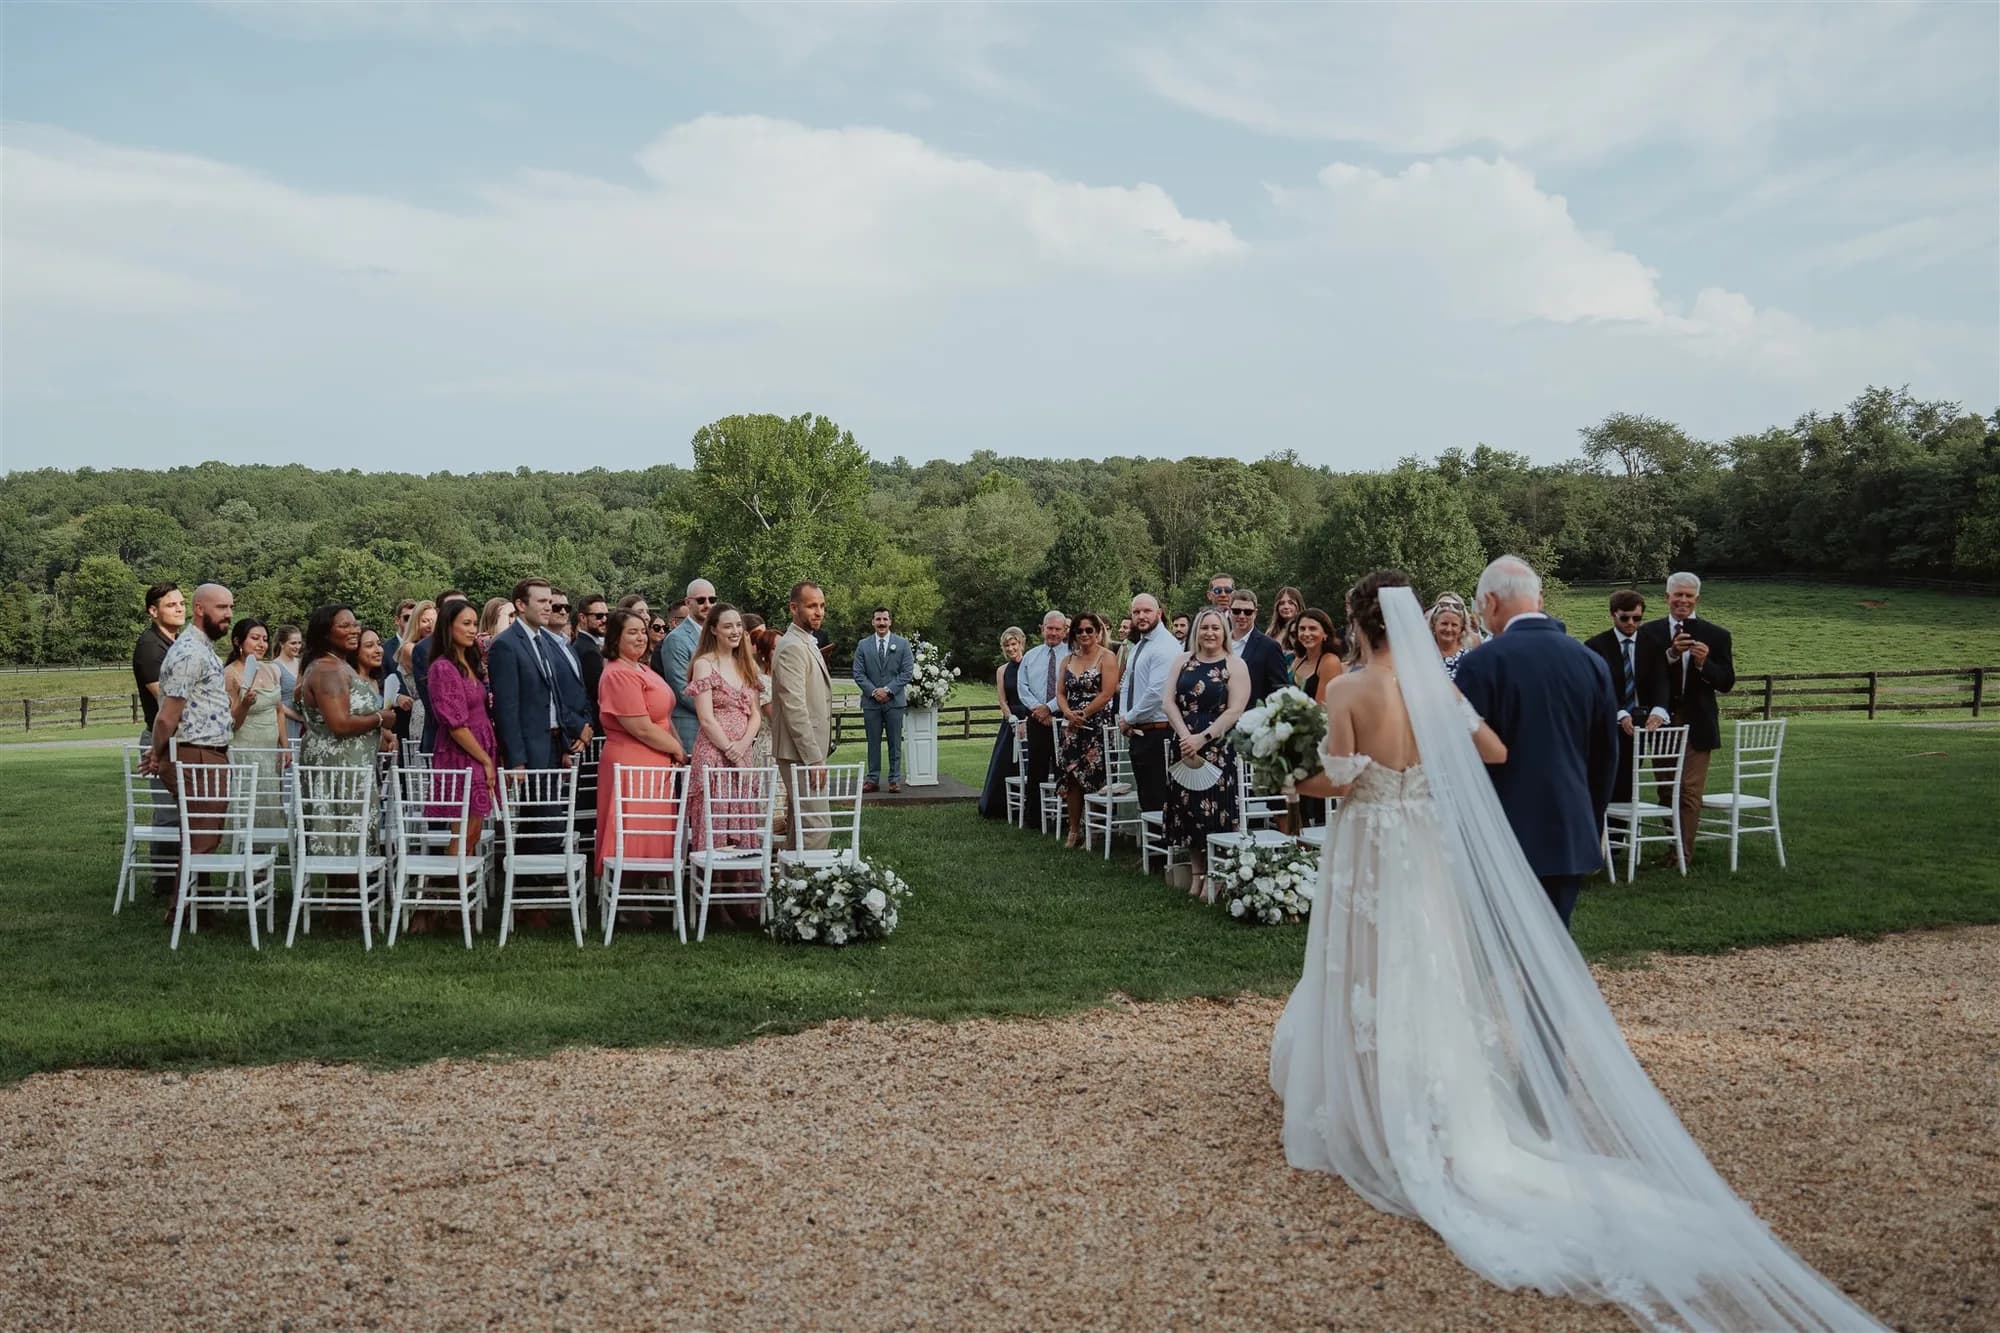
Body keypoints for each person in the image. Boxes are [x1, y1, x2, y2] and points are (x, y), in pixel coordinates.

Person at [1268, 574, 1877, 1332]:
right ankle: (1437, 1094)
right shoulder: (1438, 691)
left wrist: (1290, 767)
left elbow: (1336, 779)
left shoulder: (1350, 690)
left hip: (1370, 844)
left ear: (1357, 623)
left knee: (1367, 962)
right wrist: (1425, 772)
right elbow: (1492, 750)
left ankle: (1368, 1100)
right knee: (1431, 964)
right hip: (1422, 843)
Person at [1453, 556, 1620, 929]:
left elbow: (1464, 759)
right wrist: (1589, 824)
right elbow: (1606, 757)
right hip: (1570, 831)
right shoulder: (1591, 662)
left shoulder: (1482, 663)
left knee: (1503, 955)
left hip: (1500, 836)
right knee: (1554, 953)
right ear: (1538, 600)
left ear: (1491, 602)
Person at [143, 583, 235, 916]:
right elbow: (167, 716)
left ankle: (201, 906)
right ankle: (182, 910)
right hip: (196, 752)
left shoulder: (202, 648)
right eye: (221, 608)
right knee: (202, 837)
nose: (228, 615)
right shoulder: (189, 653)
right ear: (199, 608)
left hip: (206, 751)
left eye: (230, 607)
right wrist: (157, 752)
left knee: (203, 834)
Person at [1637, 572, 1735, 866]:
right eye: (1677, 595)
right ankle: (1672, 845)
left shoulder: (1717, 635)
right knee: (1666, 788)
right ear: (1666, 597)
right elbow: (1642, 679)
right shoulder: (1649, 633)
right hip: (1662, 722)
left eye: (1688, 596)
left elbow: (1727, 682)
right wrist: (1669, 655)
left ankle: (1683, 854)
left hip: (1698, 723)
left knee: (1689, 790)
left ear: (1697, 599)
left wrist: (1705, 662)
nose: (1683, 600)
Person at [685, 604, 766, 921]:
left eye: (738, 626)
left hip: (742, 754)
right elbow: (705, 716)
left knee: (738, 822)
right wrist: (729, 749)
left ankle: (738, 897)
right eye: (727, 626)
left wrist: (743, 746)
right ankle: (715, 899)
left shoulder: (746, 665)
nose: (734, 631)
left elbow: (757, 714)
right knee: (716, 823)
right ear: (714, 630)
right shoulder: (705, 665)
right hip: (714, 753)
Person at [1162, 607, 1249, 898]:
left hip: (1217, 745)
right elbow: (1168, 701)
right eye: (1204, 628)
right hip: (1184, 742)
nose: (1209, 633)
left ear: (1224, 631)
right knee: (1189, 810)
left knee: (1216, 810)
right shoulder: (1182, 660)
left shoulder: (1235, 664)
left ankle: (1218, 874)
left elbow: (1236, 709)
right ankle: (1197, 874)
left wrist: (1204, 737)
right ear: (1195, 631)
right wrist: (1186, 736)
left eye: (1215, 628)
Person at [593, 608, 684, 881]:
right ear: (615, 638)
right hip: (631, 762)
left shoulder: (642, 668)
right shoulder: (618, 673)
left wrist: (674, 744)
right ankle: (627, 892)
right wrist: (677, 749)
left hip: (655, 761)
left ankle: (645, 886)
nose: (641, 637)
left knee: (651, 827)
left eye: (643, 631)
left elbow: (663, 717)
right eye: (632, 632)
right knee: (631, 826)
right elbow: (640, 726)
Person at [296, 605, 394, 858]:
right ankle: (342, 895)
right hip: (337, 771)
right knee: (344, 845)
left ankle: (345, 894)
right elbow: (339, 724)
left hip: (352, 766)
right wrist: (379, 719)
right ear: (325, 633)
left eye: (355, 624)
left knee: (351, 844)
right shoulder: (327, 670)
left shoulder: (340, 665)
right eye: (345, 626)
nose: (354, 630)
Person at [488, 577, 593, 774]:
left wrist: (564, 744)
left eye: (549, 602)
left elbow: (555, 698)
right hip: (529, 751)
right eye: (542, 602)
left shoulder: (543, 642)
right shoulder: (505, 645)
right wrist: (515, 759)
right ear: (520, 604)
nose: (548, 607)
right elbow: (506, 709)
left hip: (554, 747)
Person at [425, 599, 499, 857]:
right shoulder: (443, 668)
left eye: (475, 623)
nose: (472, 629)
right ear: (448, 627)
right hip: (461, 754)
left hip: (479, 749)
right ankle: (454, 888)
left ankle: (462, 886)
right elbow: (455, 724)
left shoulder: (468, 662)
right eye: (465, 623)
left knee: (474, 831)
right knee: (464, 830)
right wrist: (485, 761)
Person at [770, 581, 833, 851]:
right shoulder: (792, 647)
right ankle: (812, 888)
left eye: (821, 606)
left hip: (805, 753)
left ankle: (790, 889)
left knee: (800, 826)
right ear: (793, 608)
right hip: (800, 754)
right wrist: (813, 758)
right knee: (817, 827)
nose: (818, 612)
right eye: (811, 606)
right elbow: (794, 707)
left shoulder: (806, 642)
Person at [132, 583, 184, 898]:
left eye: (181, 603)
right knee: (168, 811)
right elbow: (165, 700)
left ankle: (181, 876)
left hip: (180, 736)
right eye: (171, 605)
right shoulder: (150, 647)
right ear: (153, 611)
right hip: (160, 736)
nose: (179, 608)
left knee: (183, 811)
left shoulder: (175, 643)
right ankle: (165, 884)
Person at [1056, 611, 1121, 849]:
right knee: (1072, 777)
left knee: (1095, 778)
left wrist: (1084, 713)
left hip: (1096, 724)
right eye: (1079, 631)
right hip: (1072, 726)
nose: (1084, 635)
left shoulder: (1108, 657)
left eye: (1089, 630)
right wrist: (1068, 713)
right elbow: (1060, 693)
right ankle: (1074, 829)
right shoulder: (1068, 660)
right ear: (1073, 634)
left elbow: (1107, 693)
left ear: (1098, 632)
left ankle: (1096, 832)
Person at [1117, 594, 1179, 820]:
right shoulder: (1139, 646)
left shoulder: (1166, 646)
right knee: (1146, 795)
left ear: (1159, 613)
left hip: (1158, 730)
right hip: (1139, 729)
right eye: (1136, 612)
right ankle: (1150, 853)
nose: (1141, 616)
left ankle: (1162, 853)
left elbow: (1157, 692)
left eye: (1146, 611)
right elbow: (1126, 684)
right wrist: (1124, 718)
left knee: (1157, 795)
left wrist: (1129, 718)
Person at [1583, 590, 1649, 804]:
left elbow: (1659, 681)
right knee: (1608, 783)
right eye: (1625, 618)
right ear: (1613, 615)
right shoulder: (1596, 646)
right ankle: (1609, 833)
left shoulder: (1651, 644)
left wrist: (1657, 711)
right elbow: (1599, 688)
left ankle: (1622, 834)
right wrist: (1620, 713)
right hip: (1609, 723)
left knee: (1629, 786)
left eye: (1637, 618)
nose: (1631, 623)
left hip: (1641, 724)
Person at [224, 618, 286, 829]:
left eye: (265, 639)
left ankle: (269, 853)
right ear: (238, 642)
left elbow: (279, 710)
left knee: (269, 802)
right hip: (245, 747)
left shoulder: (271, 670)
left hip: (269, 748)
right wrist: (244, 704)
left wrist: (284, 746)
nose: (261, 644)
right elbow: (232, 722)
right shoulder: (230, 674)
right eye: (255, 638)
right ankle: (245, 849)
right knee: (248, 806)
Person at [1286, 607, 1344, 831]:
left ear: (1325, 633)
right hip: (1294, 739)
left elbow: (1322, 708)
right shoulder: (1298, 661)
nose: (1306, 633)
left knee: (1314, 806)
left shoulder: (1329, 661)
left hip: (1318, 742)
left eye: (1312, 628)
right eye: (1302, 628)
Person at [852, 605, 915, 793]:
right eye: (878, 619)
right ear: (873, 622)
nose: (881, 623)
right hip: (871, 703)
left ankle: (894, 779)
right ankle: (872, 779)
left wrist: (888, 690)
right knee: (873, 742)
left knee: (895, 742)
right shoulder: (863, 645)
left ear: (890, 621)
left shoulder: (902, 644)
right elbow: (858, 673)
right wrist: (874, 691)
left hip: (894, 702)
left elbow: (907, 672)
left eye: (885, 619)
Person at [1016, 611, 1071, 811]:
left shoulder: (1073, 656)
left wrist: (1049, 707)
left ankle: (1063, 815)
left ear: (1065, 631)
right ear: (1042, 629)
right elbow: (1022, 687)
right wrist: (1039, 710)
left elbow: (1069, 688)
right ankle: (1034, 815)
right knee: (1036, 766)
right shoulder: (1030, 656)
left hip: (1063, 716)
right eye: (1050, 628)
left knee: (1062, 766)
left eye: (1058, 629)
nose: (1053, 633)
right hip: (1036, 718)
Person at [977, 627, 1029, 819]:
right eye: (1007, 645)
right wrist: (1011, 718)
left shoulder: (1029, 665)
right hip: (1011, 720)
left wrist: (1026, 721)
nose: (1010, 648)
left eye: (1013, 644)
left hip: (1030, 717)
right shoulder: (1002, 670)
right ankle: (998, 806)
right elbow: (1002, 699)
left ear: (1021, 644)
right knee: (1004, 761)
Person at [659, 578, 715, 754]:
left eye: (712, 600)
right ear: (687, 602)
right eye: (701, 600)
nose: (707, 605)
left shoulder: (719, 635)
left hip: (721, 729)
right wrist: (719, 710)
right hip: (691, 728)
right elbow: (683, 689)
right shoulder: (676, 639)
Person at [410, 587, 464, 754]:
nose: (459, 612)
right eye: (452, 607)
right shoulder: (424, 649)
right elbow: (435, 705)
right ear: (440, 613)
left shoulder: (472, 646)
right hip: (442, 741)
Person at [384, 600, 436, 746]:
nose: (430, 626)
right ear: (415, 622)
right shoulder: (409, 648)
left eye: (434, 621)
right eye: (425, 621)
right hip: (423, 712)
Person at [1227, 589, 1290, 706]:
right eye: (1236, 611)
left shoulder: (1269, 647)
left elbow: (1280, 689)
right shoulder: (1220, 643)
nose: (1241, 616)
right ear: (1229, 611)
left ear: (1255, 613)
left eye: (1248, 612)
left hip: (1252, 717)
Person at [273, 623, 305, 744]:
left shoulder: (302, 664)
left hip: (304, 720)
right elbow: (275, 702)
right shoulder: (275, 666)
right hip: (286, 720)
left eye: (299, 643)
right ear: (282, 644)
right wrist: (299, 717)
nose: (297, 646)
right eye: (293, 643)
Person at [1428, 597, 1473, 680]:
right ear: (1434, 624)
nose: (1449, 629)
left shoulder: (1471, 659)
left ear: (1462, 628)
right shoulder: (1423, 654)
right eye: (1444, 624)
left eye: (1454, 625)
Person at [1266, 585, 1304, 658]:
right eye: (1282, 603)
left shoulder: (1303, 630)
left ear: (1298, 605)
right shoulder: (1271, 632)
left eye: (1291, 603)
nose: (1286, 607)